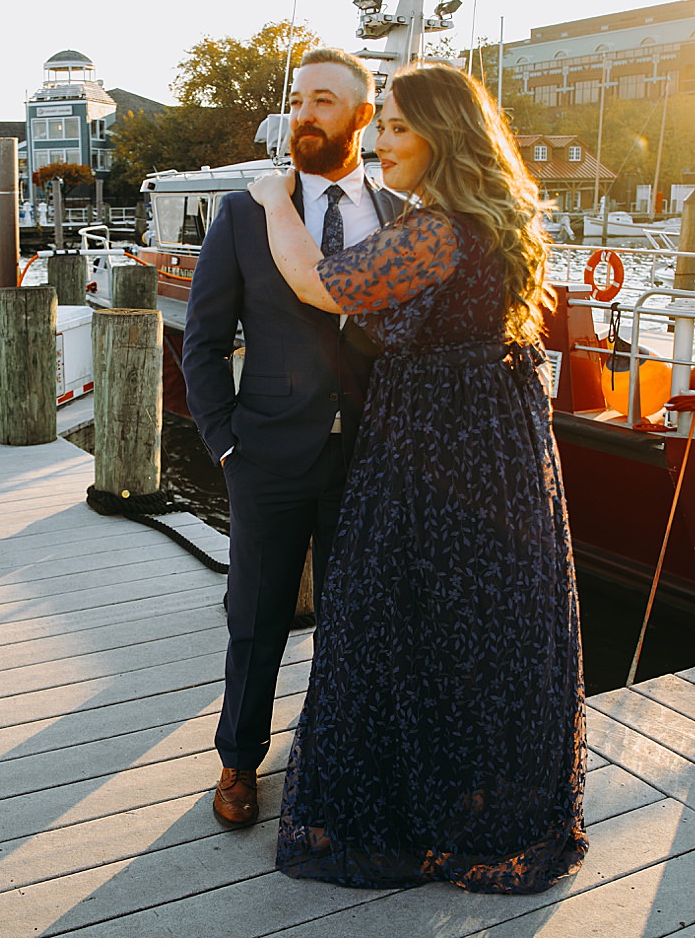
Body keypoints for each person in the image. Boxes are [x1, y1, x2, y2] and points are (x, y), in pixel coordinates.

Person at [245, 60, 587, 893]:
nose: (382, 141)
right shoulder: (491, 219)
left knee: (396, 615)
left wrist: (272, 201)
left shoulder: (436, 230)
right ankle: (465, 799)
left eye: (398, 125)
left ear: (445, 134)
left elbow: (318, 283)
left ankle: (414, 812)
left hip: (437, 444)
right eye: (382, 123)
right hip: (498, 443)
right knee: (479, 622)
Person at [182, 48, 404, 829]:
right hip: (266, 455)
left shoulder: (401, 216)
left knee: (356, 618)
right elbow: (202, 342)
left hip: (368, 460)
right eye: (300, 99)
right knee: (257, 617)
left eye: (324, 101)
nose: (305, 114)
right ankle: (239, 762)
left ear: (361, 118)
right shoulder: (246, 213)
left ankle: (337, 751)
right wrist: (226, 446)